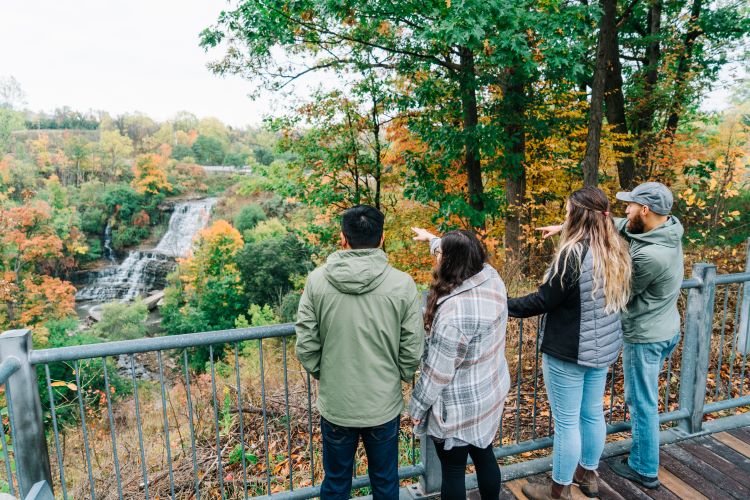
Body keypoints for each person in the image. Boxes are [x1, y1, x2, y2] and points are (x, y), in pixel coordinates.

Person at [539, 182, 684, 490]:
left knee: (641, 403)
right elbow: (610, 222)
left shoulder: (650, 257)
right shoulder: (666, 228)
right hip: (664, 325)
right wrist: (569, 223)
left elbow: (614, 294)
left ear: (645, 210)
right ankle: (588, 474)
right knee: (593, 412)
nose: (624, 210)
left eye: (630, 205)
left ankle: (644, 468)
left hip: (646, 335)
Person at [510, 186, 632, 500]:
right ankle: (588, 475)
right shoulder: (615, 246)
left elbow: (543, 300)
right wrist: (565, 228)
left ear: (576, 215)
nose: (564, 215)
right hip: (602, 347)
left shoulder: (572, 254)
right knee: (592, 414)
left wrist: (502, 303)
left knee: (566, 423)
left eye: (567, 211)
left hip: (569, 350)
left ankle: (558, 490)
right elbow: (603, 221)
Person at [295, 205, 424, 499]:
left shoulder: (317, 281)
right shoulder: (402, 284)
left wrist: (325, 373)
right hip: (382, 402)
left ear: (343, 238)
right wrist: (398, 376)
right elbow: (413, 346)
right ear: (381, 239)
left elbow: (305, 342)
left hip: (337, 403)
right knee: (385, 481)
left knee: (336, 482)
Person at [409, 228, 510, 500]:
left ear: (449, 261)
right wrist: (432, 239)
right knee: (484, 454)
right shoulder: (491, 277)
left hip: (457, 406)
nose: (436, 257)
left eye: (439, 253)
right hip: (489, 391)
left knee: (453, 470)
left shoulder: (453, 314)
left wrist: (417, 406)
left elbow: (438, 373)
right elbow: (459, 250)